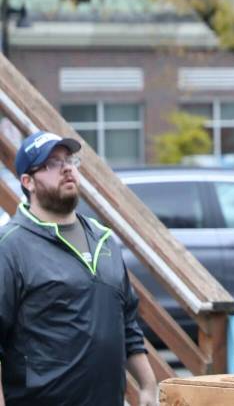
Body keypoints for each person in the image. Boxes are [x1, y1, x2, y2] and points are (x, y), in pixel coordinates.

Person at [0, 131, 157, 406]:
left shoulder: (103, 240)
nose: (67, 168)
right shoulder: (11, 246)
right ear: (28, 182)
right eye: (51, 164)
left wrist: (147, 386)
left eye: (69, 160)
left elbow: (127, 322)